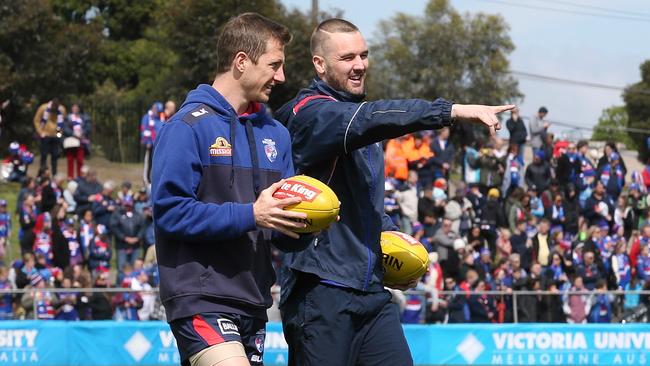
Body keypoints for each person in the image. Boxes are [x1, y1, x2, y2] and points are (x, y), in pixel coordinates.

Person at [274, 18, 514, 366]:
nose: (359, 65)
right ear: (320, 64)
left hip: (370, 292)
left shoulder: (361, 124)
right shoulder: (312, 113)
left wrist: (389, 246)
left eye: (364, 55)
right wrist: (452, 111)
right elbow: (370, 117)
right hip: (321, 290)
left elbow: (365, 200)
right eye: (347, 58)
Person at [151, 13, 313, 366]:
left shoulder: (276, 134)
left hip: (254, 300)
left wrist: (307, 224)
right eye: (274, 64)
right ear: (242, 61)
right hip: (201, 299)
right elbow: (169, 212)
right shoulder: (185, 128)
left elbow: (280, 230)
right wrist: (252, 214)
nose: (281, 77)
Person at [33, 98, 66, 175]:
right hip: (45, 135)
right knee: (44, 155)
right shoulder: (43, 108)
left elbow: (61, 123)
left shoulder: (62, 110)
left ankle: (54, 174)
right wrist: (40, 132)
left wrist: (59, 134)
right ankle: (42, 173)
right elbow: (36, 120)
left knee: (55, 156)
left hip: (55, 135)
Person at [62, 103, 91, 179]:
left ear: (79, 108)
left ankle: (80, 177)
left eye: (76, 107)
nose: (75, 109)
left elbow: (88, 128)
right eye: (73, 107)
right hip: (70, 141)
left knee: (80, 160)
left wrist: (82, 133)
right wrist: (73, 133)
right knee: (70, 159)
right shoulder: (68, 117)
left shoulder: (85, 118)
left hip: (81, 141)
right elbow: (64, 128)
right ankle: (70, 177)